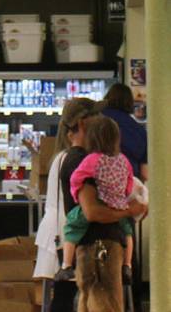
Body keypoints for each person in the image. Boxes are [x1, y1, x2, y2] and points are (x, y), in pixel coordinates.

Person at [65, 115, 147, 312]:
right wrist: (127, 211)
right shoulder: (120, 164)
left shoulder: (86, 166)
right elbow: (93, 212)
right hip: (104, 249)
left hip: (87, 250)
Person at [33, 97, 95, 312]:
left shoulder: (59, 157)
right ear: (83, 123)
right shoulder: (78, 158)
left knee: (62, 290)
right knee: (69, 290)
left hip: (54, 228)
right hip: (68, 230)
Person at [56, 115, 141, 285]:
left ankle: (66, 265)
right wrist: (122, 198)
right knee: (128, 232)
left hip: (100, 209)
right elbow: (129, 183)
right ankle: (128, 264)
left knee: (72, 226)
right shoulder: (124, 161)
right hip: (119, 208)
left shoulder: (91, 160)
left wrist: (75, 192)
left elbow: (76, 177)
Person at [98, 83, 148, 181]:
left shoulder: (97, 120)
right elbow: (145, 173)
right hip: (129, 183)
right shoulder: (140, 131)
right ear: (130, 102)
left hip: (100, 181)